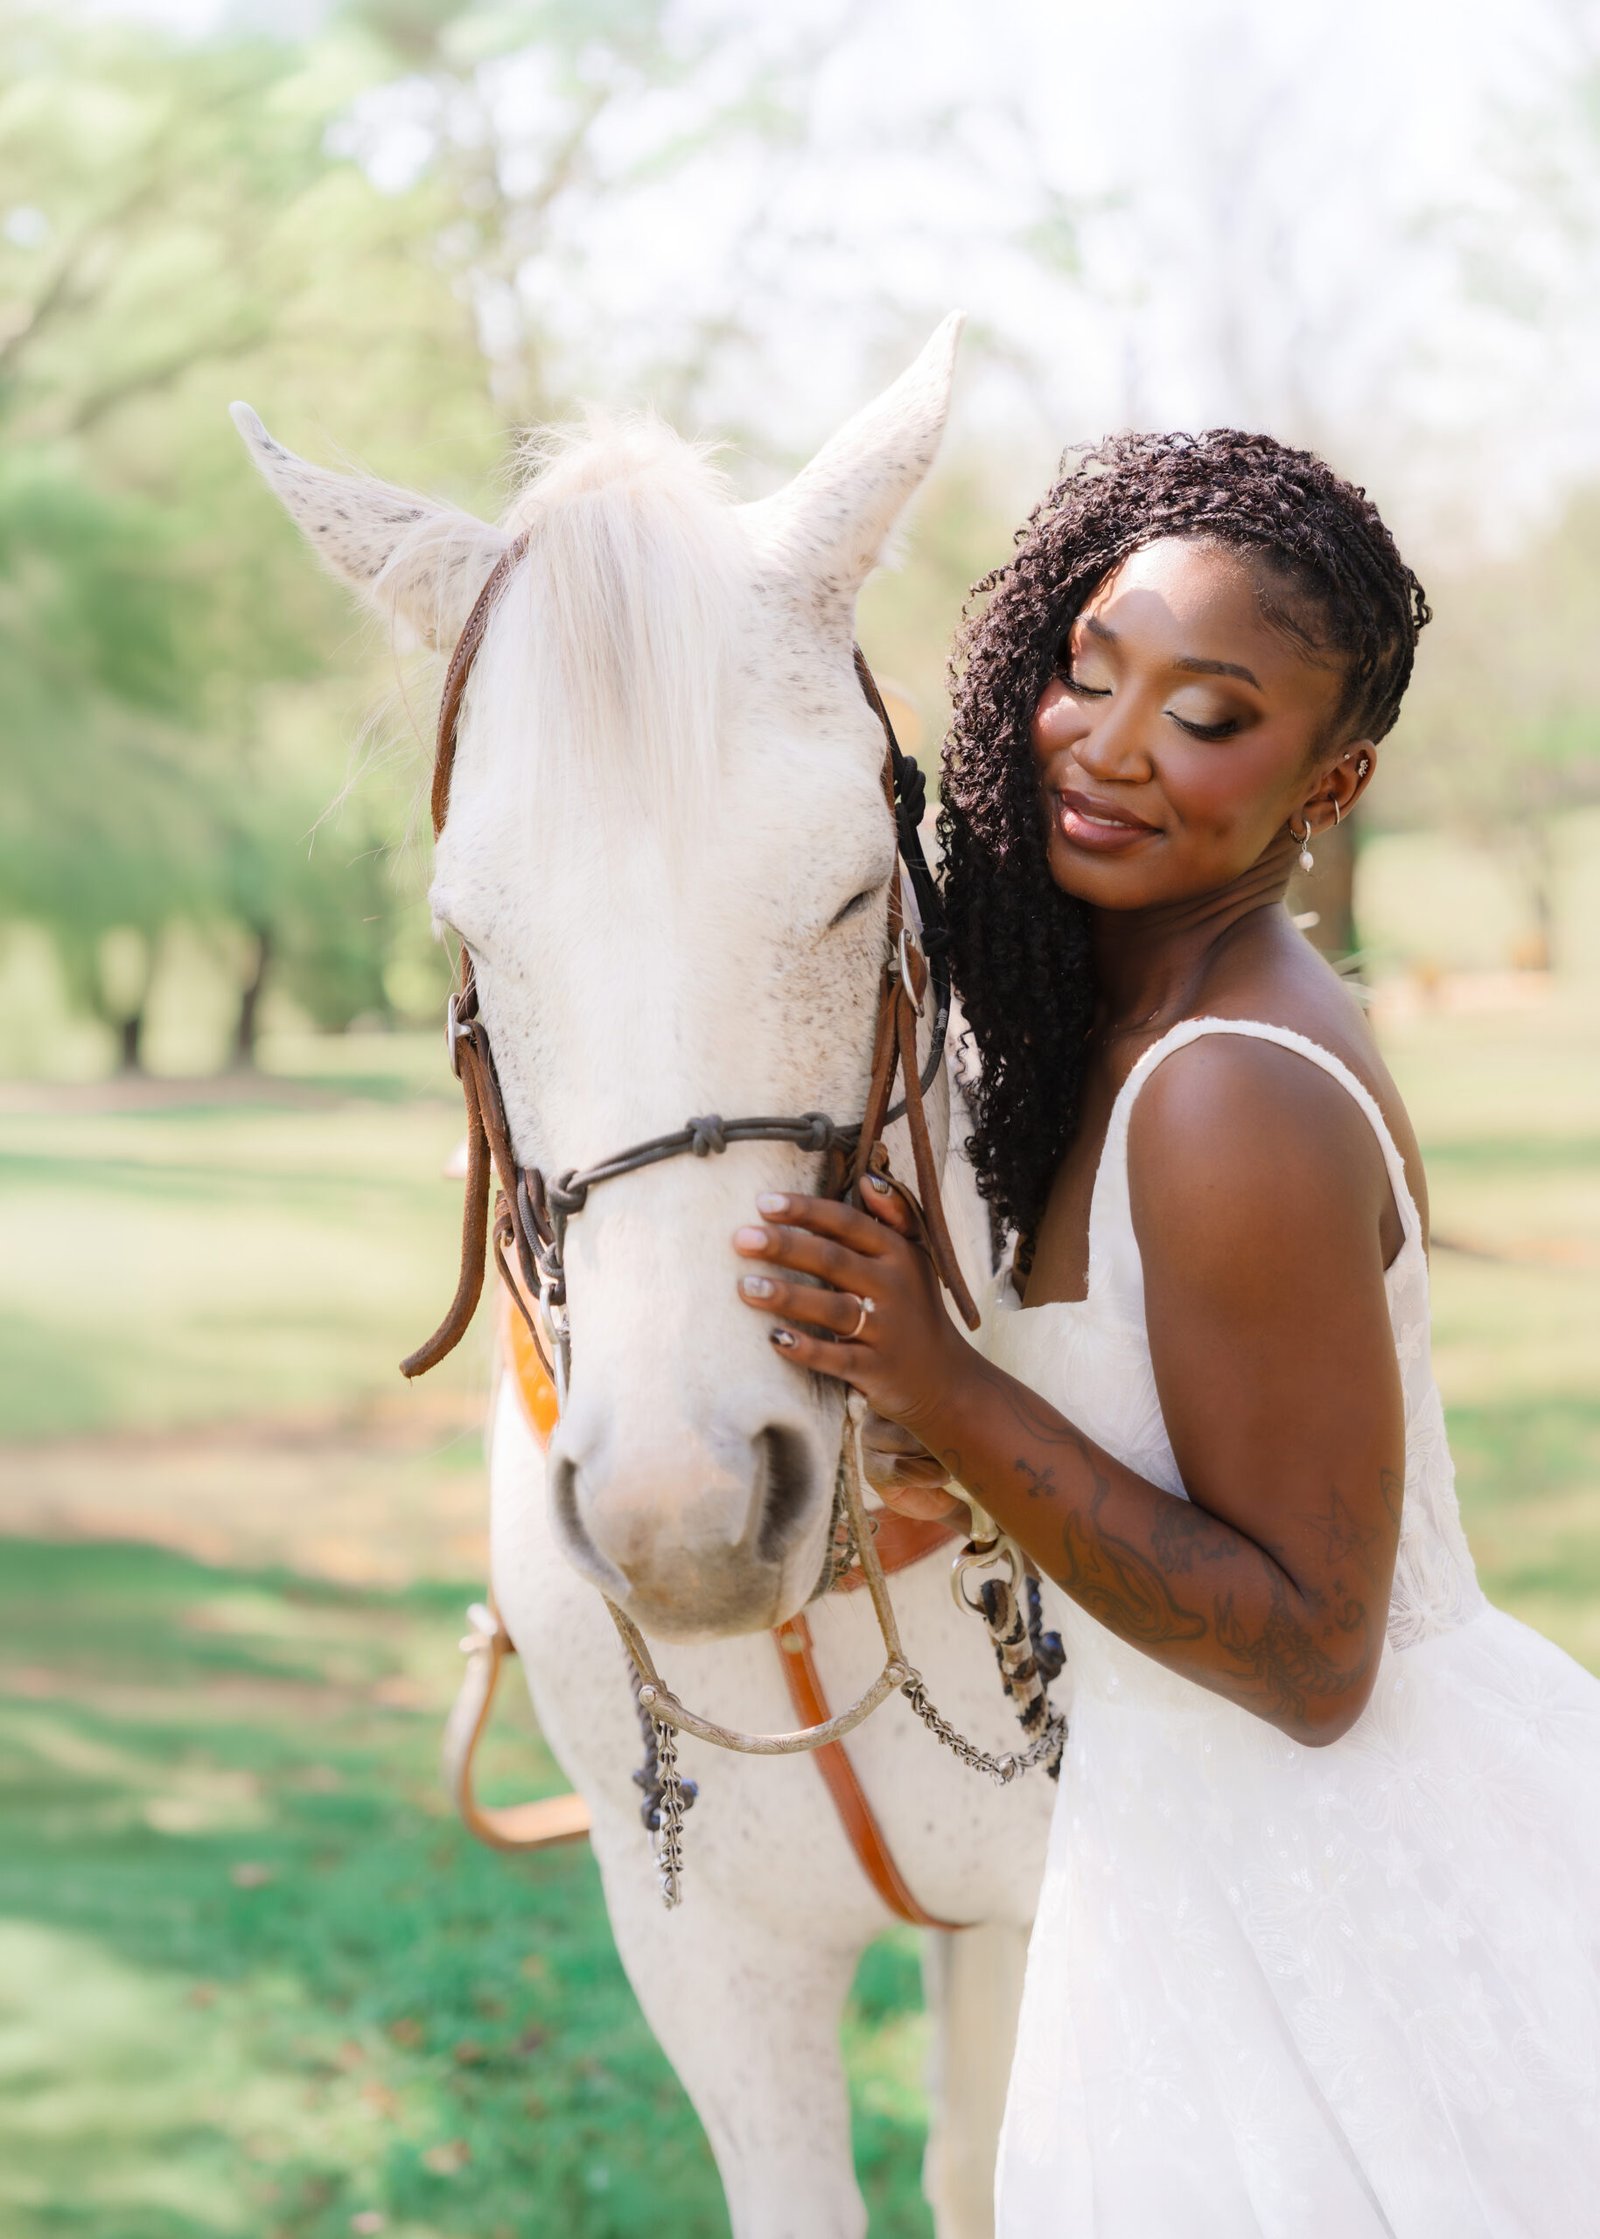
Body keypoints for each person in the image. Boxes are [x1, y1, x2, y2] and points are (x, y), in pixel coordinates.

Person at [730, 430, 1600, 2237]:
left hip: (1355, 1903)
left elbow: (1308, 1659)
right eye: (1089, 668)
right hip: (1184, 1866)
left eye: (1210, 717)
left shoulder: (1227, 1095)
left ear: (1333, 781)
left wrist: (949, 1387)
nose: (1111, 746)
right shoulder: (1108, 1042)